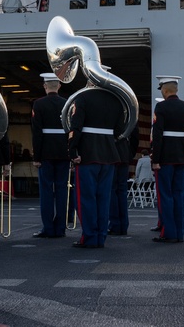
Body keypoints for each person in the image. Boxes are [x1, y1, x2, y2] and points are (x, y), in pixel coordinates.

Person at [67, 78, 127, 249]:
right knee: (103, 198)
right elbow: (120, 130)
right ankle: (101, 236)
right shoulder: (116, 100)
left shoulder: (83, 98)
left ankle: (90, 236)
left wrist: (72, 150)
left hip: (87, 154)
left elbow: (75, 126)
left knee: (86, 198)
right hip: (109, 154)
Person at [150, 75, 184, 243]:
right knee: (179, 195)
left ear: (164, 90)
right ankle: (179, 232)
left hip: (165, 158)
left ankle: (169, 233)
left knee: (165, 195)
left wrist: (155, 159)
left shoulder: (161, 107)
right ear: (176, 89)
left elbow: (157, 135)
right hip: (183, 157)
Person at [31, 72, 69, 239]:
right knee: (62, 190)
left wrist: (36, 157)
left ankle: (48, 228)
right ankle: (60, 228)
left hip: (45, 152)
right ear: (59, 85)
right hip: (63, 151)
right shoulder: (67, 103)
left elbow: (36, 133)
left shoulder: (38, 104)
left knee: (46, 191)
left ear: (45, 86)